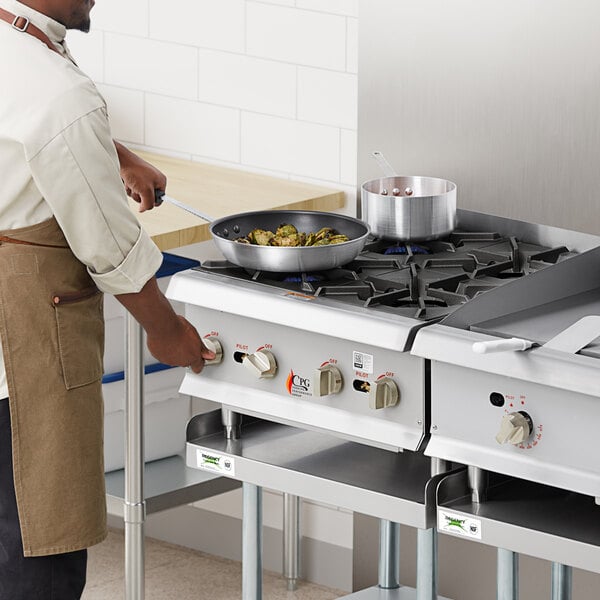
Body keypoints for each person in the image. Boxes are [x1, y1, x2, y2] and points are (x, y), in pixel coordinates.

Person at [0, 0, 215, 597]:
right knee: (39, 535)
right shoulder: (59, 95)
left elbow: (23, 120)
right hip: (22, 330)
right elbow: (109, 245)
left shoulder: (19, 46)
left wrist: (113, 154)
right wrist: (166, 329)